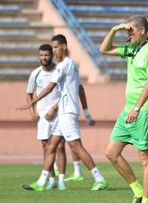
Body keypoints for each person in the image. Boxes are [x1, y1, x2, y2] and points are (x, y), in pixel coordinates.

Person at [18, 34, 108, 191]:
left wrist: (32, 102)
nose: (54, 51)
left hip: (66, 112)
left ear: (64, 47)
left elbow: (50, 87)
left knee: (76, 147)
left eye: (55, 47)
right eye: (52, 47)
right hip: (65, 112)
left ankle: (99, 178)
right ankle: (41, 183)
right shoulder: (72, 64)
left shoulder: (63, 65)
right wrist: (86, 112)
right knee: (52, 147)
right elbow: (79, 88)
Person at [100, 15, 148, 203]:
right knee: (111, 152)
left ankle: (146, 200)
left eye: (130, 31)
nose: (128, 35)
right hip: (128, 110)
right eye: (126, 31)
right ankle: (137, 190)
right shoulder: (132, 49)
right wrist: (114, 29)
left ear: (142, 30)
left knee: (145, 157)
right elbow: (104, 49)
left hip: (144, 110)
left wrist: (137, 108)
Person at [27, 44, 67, 190]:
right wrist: (32, 111)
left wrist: (55, 107)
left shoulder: (59, 70)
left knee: (60, 146)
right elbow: (29, 94)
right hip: (42, 117)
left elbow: (64, 92)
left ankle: (62, 180)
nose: (44, 58)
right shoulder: (35, 74)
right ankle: (52, 180)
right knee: (46, 148)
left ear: (52, 55)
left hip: (58, 114)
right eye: (41, 55)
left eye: (46, 55)